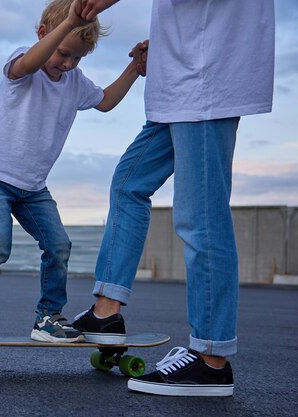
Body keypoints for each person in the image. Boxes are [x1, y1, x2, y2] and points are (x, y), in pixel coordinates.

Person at [71, 0, 275, 396]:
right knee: (128, 184)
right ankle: (106, 313)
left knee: (201, 217)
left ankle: (210, 358)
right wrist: (166, 42)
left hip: (205, 78)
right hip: (179, 76)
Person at [0, 0, 146, 343]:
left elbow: (105, 102)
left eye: (78, 58)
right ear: (44, 35)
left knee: (59, 245)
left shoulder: (74, 80)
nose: (68, 64)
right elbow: (32, 62)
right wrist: (68, 22)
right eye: (64, 53)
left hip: (33, 189)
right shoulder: (23, 64)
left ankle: (48, 318)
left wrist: (134, 68)